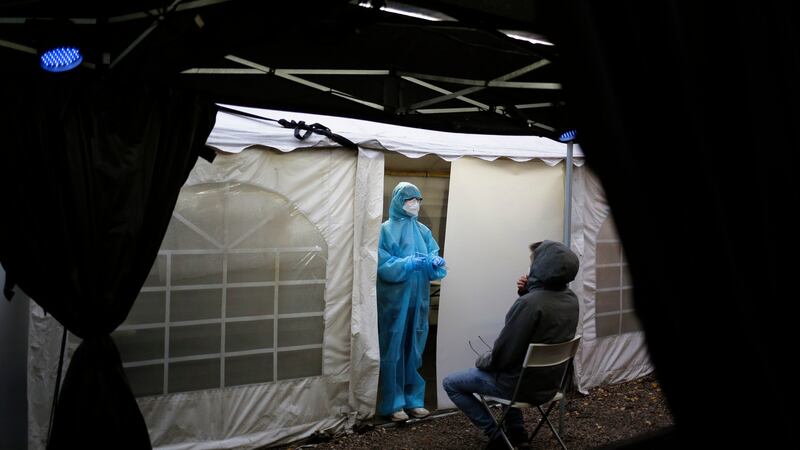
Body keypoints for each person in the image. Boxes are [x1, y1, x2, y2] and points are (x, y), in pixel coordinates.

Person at [442, 240, 579, 449]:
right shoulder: (571, 300)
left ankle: (497, 438)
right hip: (550, 386)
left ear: (543, 266)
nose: (531, 265)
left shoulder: (529, 305)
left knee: (452, 383)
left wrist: (483, 360)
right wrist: (529, 291)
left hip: (518, 387)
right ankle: (517, 433)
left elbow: (502, 356)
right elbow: (544, 327)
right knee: (514, 370)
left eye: (533, 261)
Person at [376, 181, 448, 422]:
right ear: (398, 201)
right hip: (394, 303)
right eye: (410, 200)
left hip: (419, 302)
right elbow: (381, 264)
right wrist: (406, 264)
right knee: (393, 351)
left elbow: (433, 259)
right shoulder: (384, 230)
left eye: (418, 200)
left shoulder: (424, 232)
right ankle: (393, 403)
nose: (414, 204)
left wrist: (434, 263)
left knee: (415, 350)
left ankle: (413, 400)